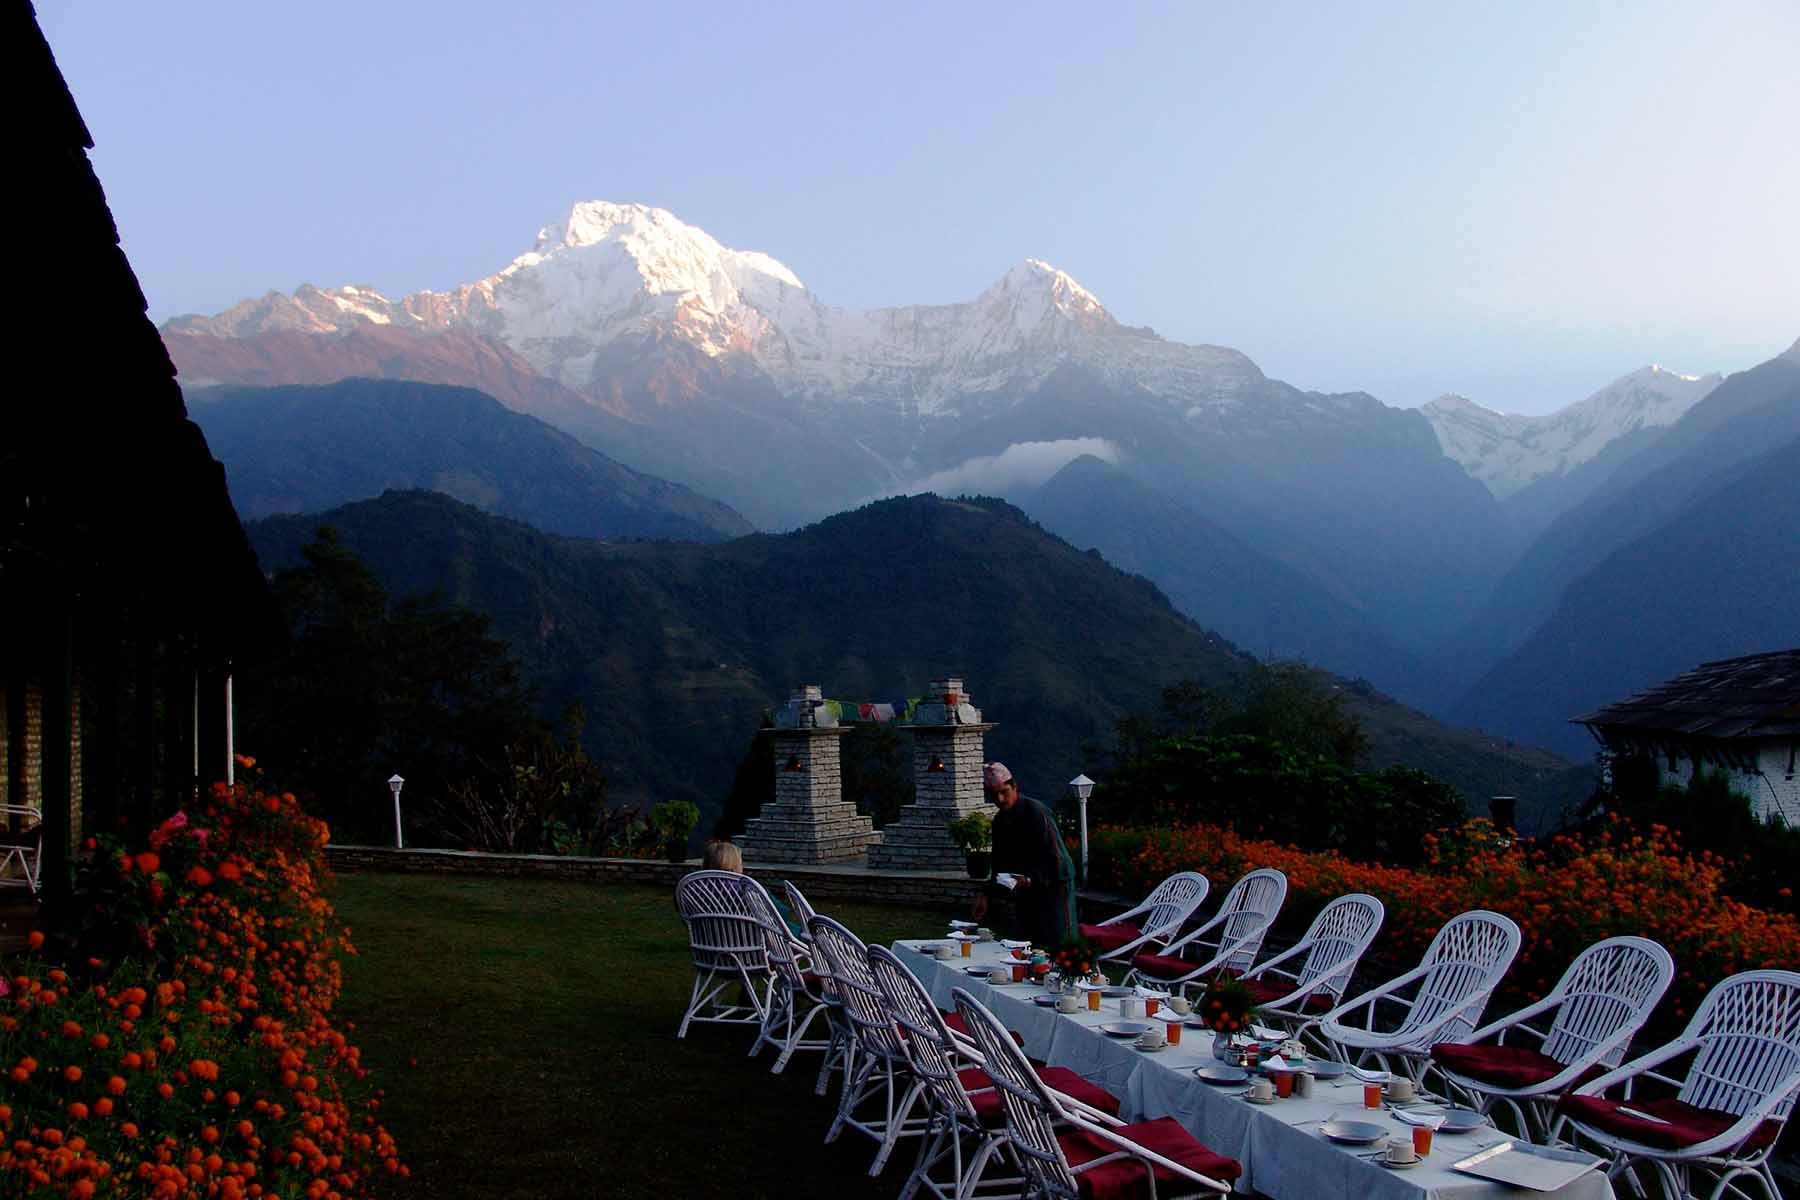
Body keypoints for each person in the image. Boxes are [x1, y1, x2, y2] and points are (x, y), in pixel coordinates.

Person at [970, 762, 1076, 947]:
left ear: (1015, 787)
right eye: (994, 795)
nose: (1000, 799)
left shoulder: (1036, 812)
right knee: (1027, 948)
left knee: (1059, 947)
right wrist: (986, 894)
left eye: (1004, 792)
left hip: (1055, 891)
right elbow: (1000, 863)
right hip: (1026, 895)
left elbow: (1059, 862)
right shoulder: (1000, 821)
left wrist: (1030, 879)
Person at [701, 839, 802, 936]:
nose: (742, 866)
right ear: (733, 866)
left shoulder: (696, 891)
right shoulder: (749, 890)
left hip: (710, 948)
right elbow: (780, 914)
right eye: (740, 863)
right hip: (752, 946)